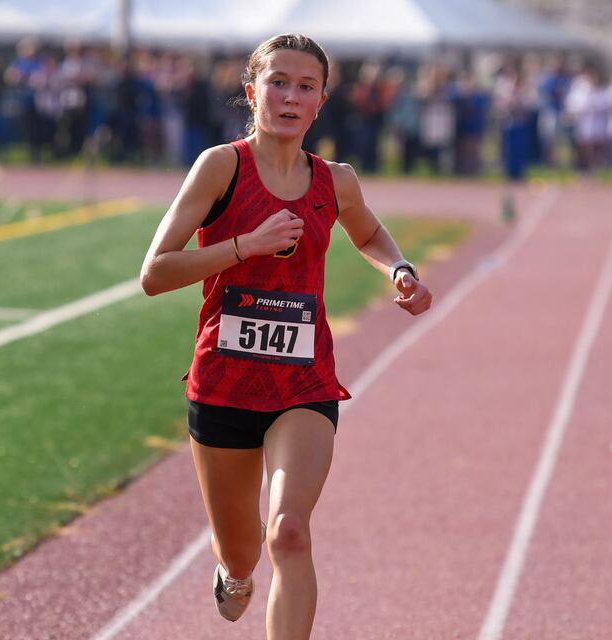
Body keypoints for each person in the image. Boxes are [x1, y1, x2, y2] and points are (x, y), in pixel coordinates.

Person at [140, 33, 432, 639]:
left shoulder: (336, 182)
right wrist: (245, 246)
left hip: (303, 383)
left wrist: (399, 269)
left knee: (289, 532)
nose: (290, 96)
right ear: (252, 93)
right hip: (222, 385)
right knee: (244, 554)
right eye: (278, 82)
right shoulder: (222, 166)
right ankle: (234, 572)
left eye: (305, 86)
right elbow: (155, 273)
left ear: (322, 102)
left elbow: (371, 234)